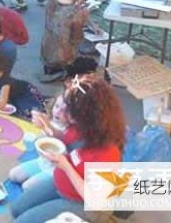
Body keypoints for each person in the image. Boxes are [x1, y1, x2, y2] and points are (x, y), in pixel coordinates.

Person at [9, 74, 126, 222]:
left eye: (70, 111)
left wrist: (66, 167)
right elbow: (63, 139)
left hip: (83, 203)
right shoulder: (80, 127)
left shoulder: (108, 153)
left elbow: (96, 201)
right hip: (61, 183)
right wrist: (46, 125)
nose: (65, 114)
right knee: (16, 209)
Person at [9, 93, 81, 191]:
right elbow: (43, 139)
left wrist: (46, 126)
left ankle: (52, 187)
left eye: (65, 111)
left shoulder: (73, 130)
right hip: (43, 162)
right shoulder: (51, 120)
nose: (58, 112)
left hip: (57, 170)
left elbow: (61, 137)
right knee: (13, 175)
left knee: (27, 187)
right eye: (57, 106)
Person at [40, 0, 98, 83]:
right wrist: (83, 19)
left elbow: (61, 19)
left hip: (46, 51)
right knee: (90, 57)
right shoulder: (78, 13)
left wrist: (90, 23)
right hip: (63, 58)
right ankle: (63, 71)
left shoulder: (51, 1)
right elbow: (77, 39)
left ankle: (52, 69)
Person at [0, 49, 48, 120]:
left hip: (25, 93)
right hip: (13, 97)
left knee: (32, 113)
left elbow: (2, 104)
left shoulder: (5, 82)